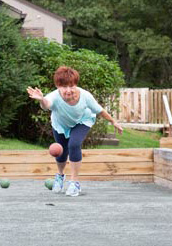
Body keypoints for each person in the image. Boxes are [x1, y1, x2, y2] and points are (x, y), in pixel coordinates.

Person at [27, 66, 123, 197]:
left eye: (71, 86)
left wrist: (114, 122)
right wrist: (42, 100)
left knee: (74, 144)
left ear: (75, 84)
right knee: (61, 152)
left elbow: (100, 110)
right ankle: (60, 176)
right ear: (58, 86)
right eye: (64, 87)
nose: (68, 90)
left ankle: (74, 182)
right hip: (60, 124)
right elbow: (46, 106)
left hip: (83, 121)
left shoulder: (85, 96)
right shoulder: (54, 96)